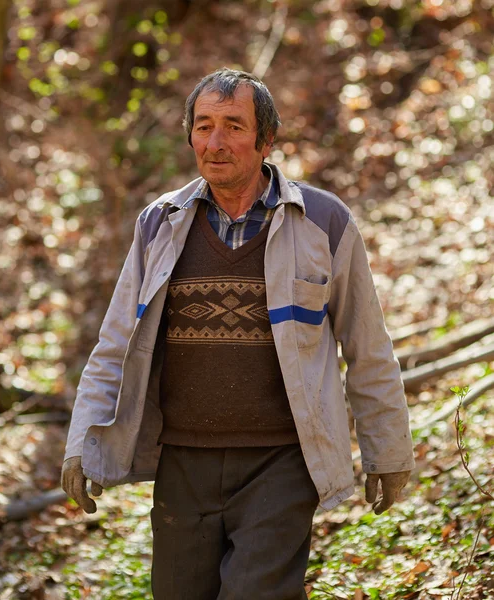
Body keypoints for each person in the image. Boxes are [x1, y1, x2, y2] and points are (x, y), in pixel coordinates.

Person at [61, 68, 415, 599]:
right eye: (203, 126)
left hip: (281, 460)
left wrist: (387, 450)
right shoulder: (160, 223)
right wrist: (81, 441)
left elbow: (367, 347)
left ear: (266, 139)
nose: (215, 142)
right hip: (182, 463)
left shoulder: (323, 222)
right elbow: (116, 343)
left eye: (233, 126)